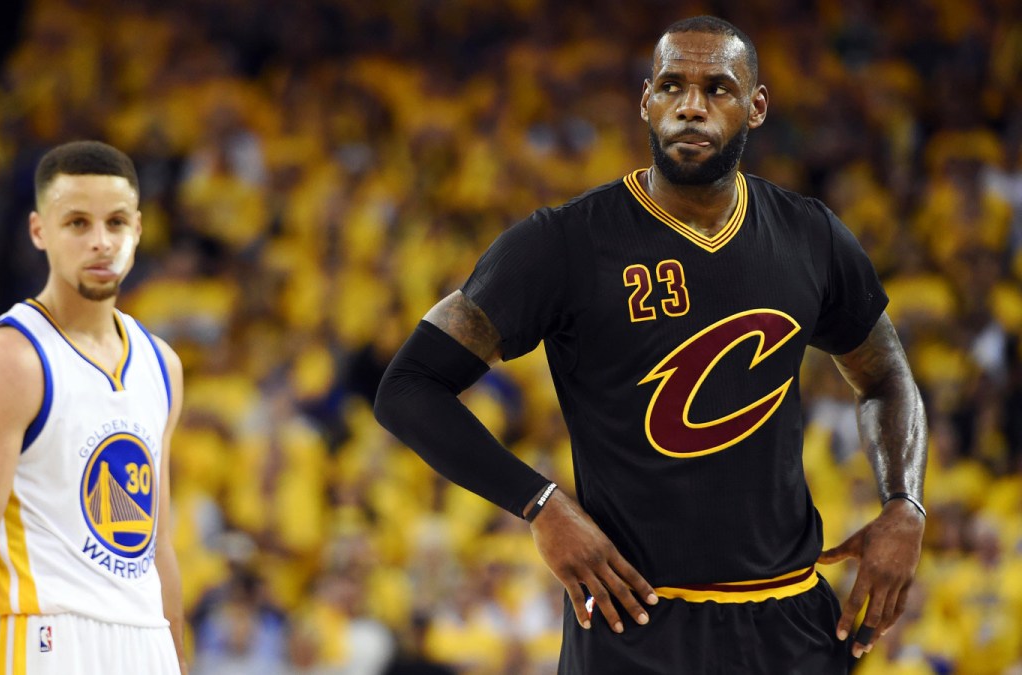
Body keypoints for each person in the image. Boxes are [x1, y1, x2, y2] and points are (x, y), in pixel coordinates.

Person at [374, 16, 926, 674]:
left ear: (757, 106)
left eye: (717, 88)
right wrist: (541, 504)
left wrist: (904, 503)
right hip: (634, 622)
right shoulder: (564, 242)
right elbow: (408, 388)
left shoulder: (811, 236)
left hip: (790, 622)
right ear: (646, 101)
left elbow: (886, 377)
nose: (691, 105)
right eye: (671, 86)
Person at [0, 141, 188, 675]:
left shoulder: (163, 365)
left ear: (138, 230)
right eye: (77, 223)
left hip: (145, 644)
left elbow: (157, 546)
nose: (101, 242)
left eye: (116, 223)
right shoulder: (11, 356)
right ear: (39, 231)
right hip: (40, 638)